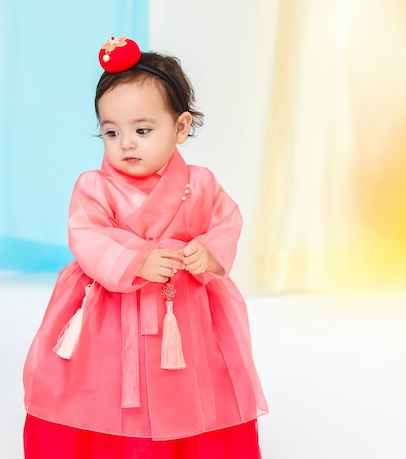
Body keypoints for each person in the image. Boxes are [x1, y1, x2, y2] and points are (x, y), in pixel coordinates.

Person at [23, 37, 268, 458]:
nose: (126, 143)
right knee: (101, 388)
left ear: (181, 127)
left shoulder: (200, 184)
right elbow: (87, 236)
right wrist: (136, 260)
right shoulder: (94, 186)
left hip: (183, 312)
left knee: (192, 389)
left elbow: (227, 221)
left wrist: (207, 252)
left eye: (142, 130)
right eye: (111, 132)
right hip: (109, 314)